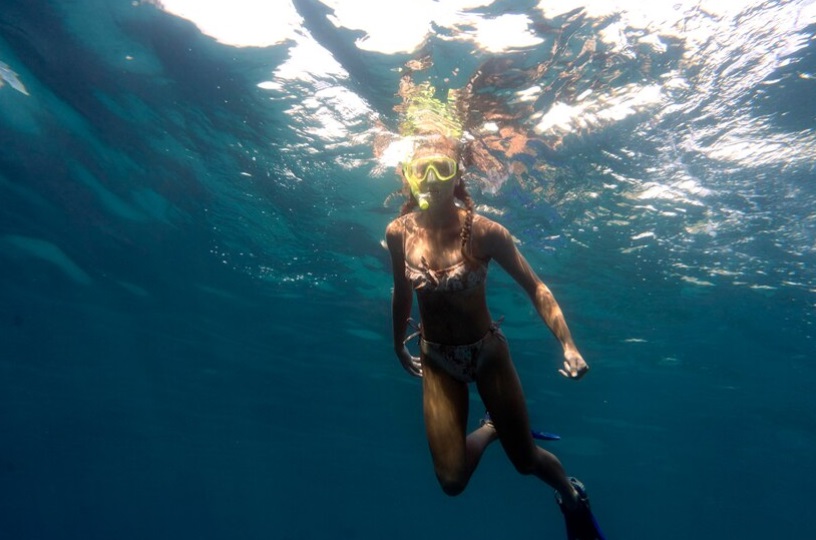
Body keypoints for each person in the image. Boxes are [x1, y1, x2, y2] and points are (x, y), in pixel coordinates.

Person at [385, 128, 605, 539]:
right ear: (410, 177)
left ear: (457, 175)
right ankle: (490, 429)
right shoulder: (399, 232)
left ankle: (572, 498)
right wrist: (398, 344)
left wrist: (569, 345)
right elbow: (400, 291)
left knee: (525, 462)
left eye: (443, 167)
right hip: (436, 358)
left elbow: (536, 287)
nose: (433, 177)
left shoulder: (485, 231)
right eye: (423, 169)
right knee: (451, 481)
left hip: (487, 353)